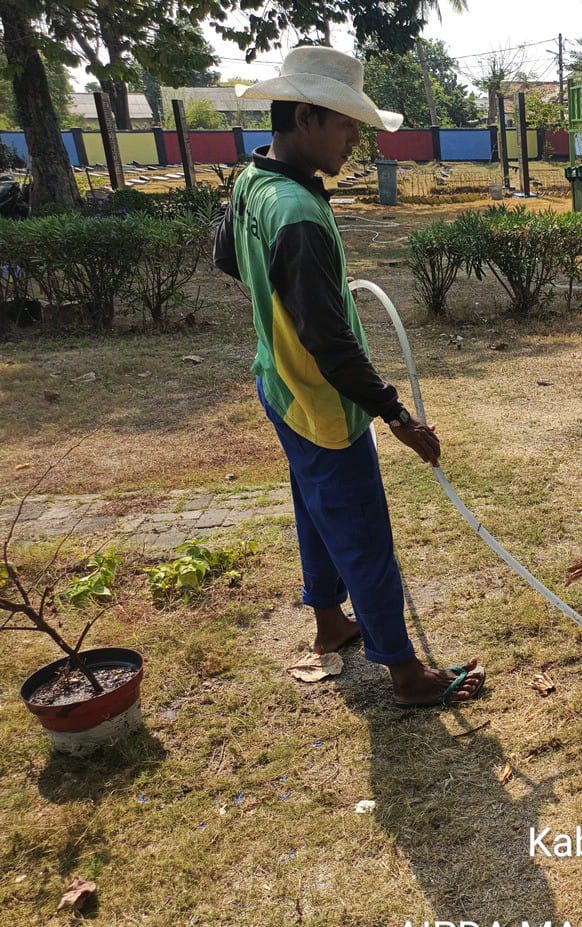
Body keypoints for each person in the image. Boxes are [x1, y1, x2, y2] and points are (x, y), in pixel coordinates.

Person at [213, 46, 485, 709]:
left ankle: (331, 623)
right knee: (363, 533)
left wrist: (277, 307)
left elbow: (227, 258)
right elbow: (332, 346)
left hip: (278, 384)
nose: (356, 141)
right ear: (305, 117)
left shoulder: (254, 181)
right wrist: (397, 415)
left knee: (315, 508)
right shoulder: (298, 215)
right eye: (346, 125)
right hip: (320, 400)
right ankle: (405, 673)